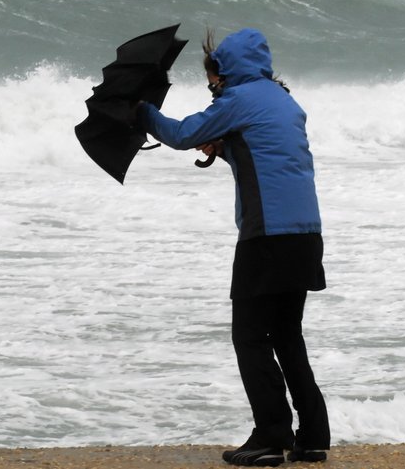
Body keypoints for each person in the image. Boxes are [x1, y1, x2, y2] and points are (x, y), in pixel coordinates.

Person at [136, 28, 330, 467]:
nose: (211, 88)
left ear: (224, 71)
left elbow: (182, 133)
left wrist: (141, 111)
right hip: (305, 234)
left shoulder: (237, 100)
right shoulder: (283, 99)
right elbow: (267, 153)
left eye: (211, 79)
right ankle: (313, 436)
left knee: (249, 338)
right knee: (286, 336)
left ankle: (270, 436)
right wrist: (226, 149)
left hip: (267, 236)